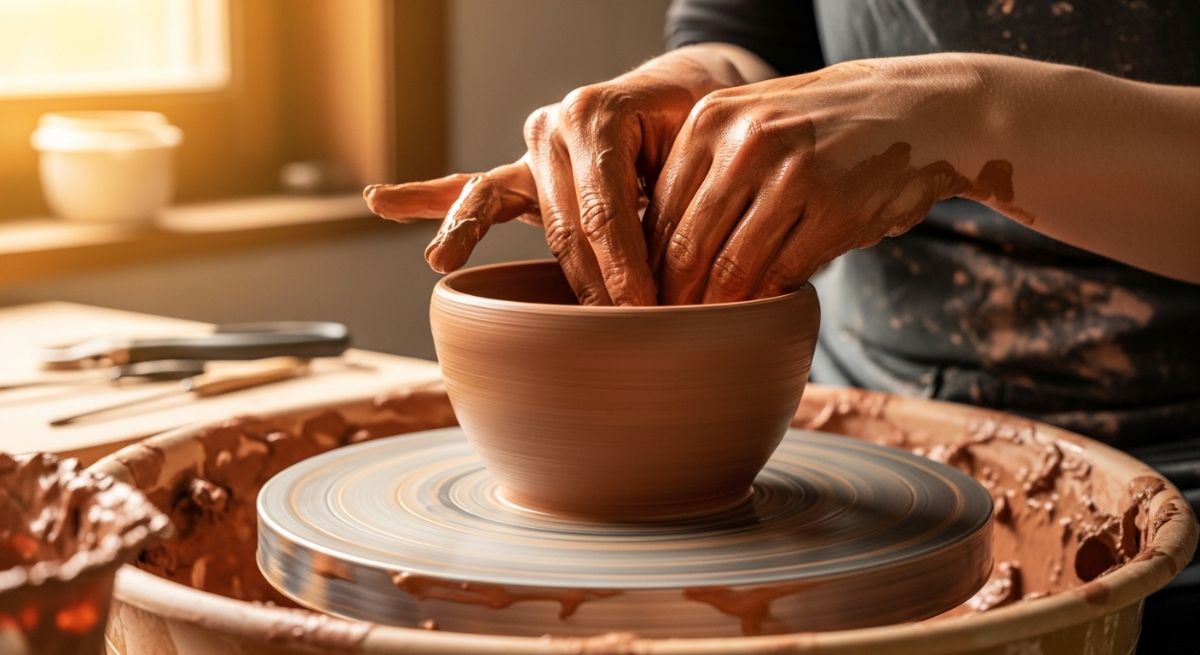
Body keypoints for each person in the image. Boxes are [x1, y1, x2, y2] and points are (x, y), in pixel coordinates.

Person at [365, 2, 1199, 650]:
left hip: (1175, 458)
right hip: (861, 436)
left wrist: (975, 117)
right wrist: (693, 101)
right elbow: (745, 35)